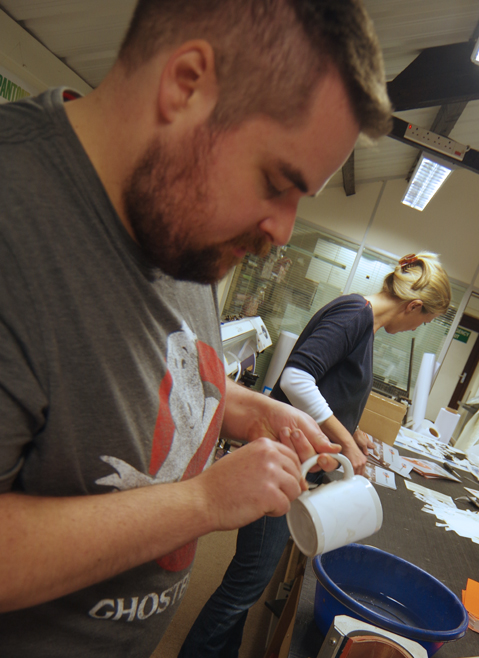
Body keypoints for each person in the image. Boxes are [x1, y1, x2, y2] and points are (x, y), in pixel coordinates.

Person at [0, 1, 393, 656]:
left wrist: (241, 406)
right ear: (186, 86)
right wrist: (202, 504)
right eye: (276, 181)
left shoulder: (176, 219)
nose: (282, 232)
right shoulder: (18, 219)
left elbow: (128, 362)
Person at [180, 253, 451, 656]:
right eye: (423, 321)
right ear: (414, 305)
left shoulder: (366, 326)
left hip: (298, 466)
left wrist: (352, 429)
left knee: (250, 583)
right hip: (282, 462)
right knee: (246, 584)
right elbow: (296, 377)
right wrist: (343, 439)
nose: (417, 328)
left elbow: (327, 386)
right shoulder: (354, 314)